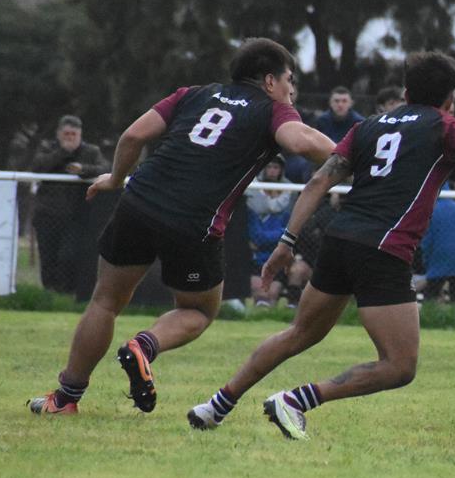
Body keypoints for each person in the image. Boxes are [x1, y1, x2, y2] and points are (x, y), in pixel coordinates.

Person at [187, 52, 455, 439]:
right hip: (383, 248)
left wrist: (287, 242)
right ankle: (296, 400)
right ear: (450, 98)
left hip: (339, 239)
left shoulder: (370, 126)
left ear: (406, 91)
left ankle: (215, 406)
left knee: (298, 333)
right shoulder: (446, 126)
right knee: (400, 366)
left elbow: (318, 182)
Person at [27, 38, 334, 416]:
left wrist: (114, 179)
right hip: (193, 221)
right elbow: (300, 141)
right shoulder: (273, 111)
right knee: (200, 311)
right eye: (289, 80)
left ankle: (64, 398)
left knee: (105, 301)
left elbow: (134, 136)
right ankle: (144, 346)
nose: (291, 90)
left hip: (138, 201)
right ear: (270, 81)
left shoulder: (195, 94)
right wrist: (352, 155)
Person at [30, 115, 111, 294]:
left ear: (80, 134)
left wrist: (83, 170)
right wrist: (63, 153)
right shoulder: (47, 148)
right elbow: (37, 166)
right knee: (48, 258)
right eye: (66, 134)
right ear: (58, 134)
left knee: (69, 256)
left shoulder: (91, 151)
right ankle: (50, 295)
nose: (70, 138)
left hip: (76, 215)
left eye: (73, 134)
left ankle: (68, 293)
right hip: (47, 214)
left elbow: (105, 168)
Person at [246, 156, 295, 307]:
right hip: (257, 258)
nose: (272, 171)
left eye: (276, 168)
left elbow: (289, 232)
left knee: (272, 293)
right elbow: (257, 236)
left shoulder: (287, 211)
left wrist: (278, 237)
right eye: (269, 167)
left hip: (278, 257)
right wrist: (279, 236)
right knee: (259, 292)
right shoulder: (253, 211)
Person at [418, 185, 455, 304]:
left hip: (439, 257)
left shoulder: (430, 209)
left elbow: (426, 240)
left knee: (431, 294)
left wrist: (425, 260)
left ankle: (429, 313)